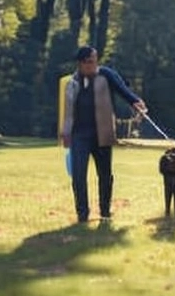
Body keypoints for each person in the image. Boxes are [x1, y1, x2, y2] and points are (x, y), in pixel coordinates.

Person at [62, 46, 146, 223]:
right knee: (78, 174)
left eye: (95, 60)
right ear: (82, 64)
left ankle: (105, 211)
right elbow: (68, 112)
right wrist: (66, 133)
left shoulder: (106, 75)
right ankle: (82, 213)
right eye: (91, 62)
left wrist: (136, 102)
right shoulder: (72, 83)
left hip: (103, 133)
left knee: (105, 175)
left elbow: (123, 90)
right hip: (80, 135)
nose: (95, 65)